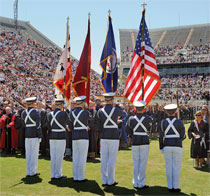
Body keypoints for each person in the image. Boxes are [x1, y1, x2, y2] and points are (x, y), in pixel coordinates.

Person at [97, 92, 125, 186]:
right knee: (112, 159)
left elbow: (98, 124)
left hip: (104, 135)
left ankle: (104, 180)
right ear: (112, 100)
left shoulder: (100, 111)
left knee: (103, 159)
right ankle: (110, 180)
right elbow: (124, 114)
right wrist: (117, 106)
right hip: (113, 136)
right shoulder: (116, 110)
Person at [158, 104, 186, 193]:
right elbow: (183, 136)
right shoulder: (179, 122)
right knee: (176, 166)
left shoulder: (163, 122)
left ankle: (170, 186)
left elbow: (160, 136)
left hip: (167, 146)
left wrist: (161, 147)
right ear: (175, 112)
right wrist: (178, 140)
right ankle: (176, 186)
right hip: (177, 145)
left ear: (166, 112)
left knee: (168, 166)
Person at [126, 101, 152, 189]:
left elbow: (128, 130)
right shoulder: (148, 118)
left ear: (135, 109)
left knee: (136, 162)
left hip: (135, 140)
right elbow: (151, 128)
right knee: (143, 163)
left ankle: (135, 182)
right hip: (144, 140)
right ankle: (141, 182)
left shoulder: (131, 119)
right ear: (144, 109)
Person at [69, 96, 92, 182]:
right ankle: (81, 176)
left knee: (75, 157)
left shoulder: (71, 113)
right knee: (82, 157)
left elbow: (71, 126)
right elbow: (91, 118)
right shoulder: (85, 112)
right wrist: (86, 108)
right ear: (82, 103)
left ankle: (75, 176)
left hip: (75, 136)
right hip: (83, 135)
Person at [47, 98, 69, 180]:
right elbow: (68, 120)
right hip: (61, 136)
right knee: (59, 156)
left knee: (53, 156)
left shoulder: (49, 114)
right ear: (61, 105)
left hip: (52, 136)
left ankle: (53, 174)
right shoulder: (63, 113)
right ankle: (58, 174)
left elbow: (48, 127)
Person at [21, 97, 42, 177]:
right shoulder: (36, 112)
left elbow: (23, 124)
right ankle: (32, 171)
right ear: (33, 103)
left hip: (27, 134)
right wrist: (40, 135)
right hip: (34, 135)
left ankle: (28, 171)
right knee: (34, 154)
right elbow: (38, 125)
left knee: (28, 154)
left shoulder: (23, 112)